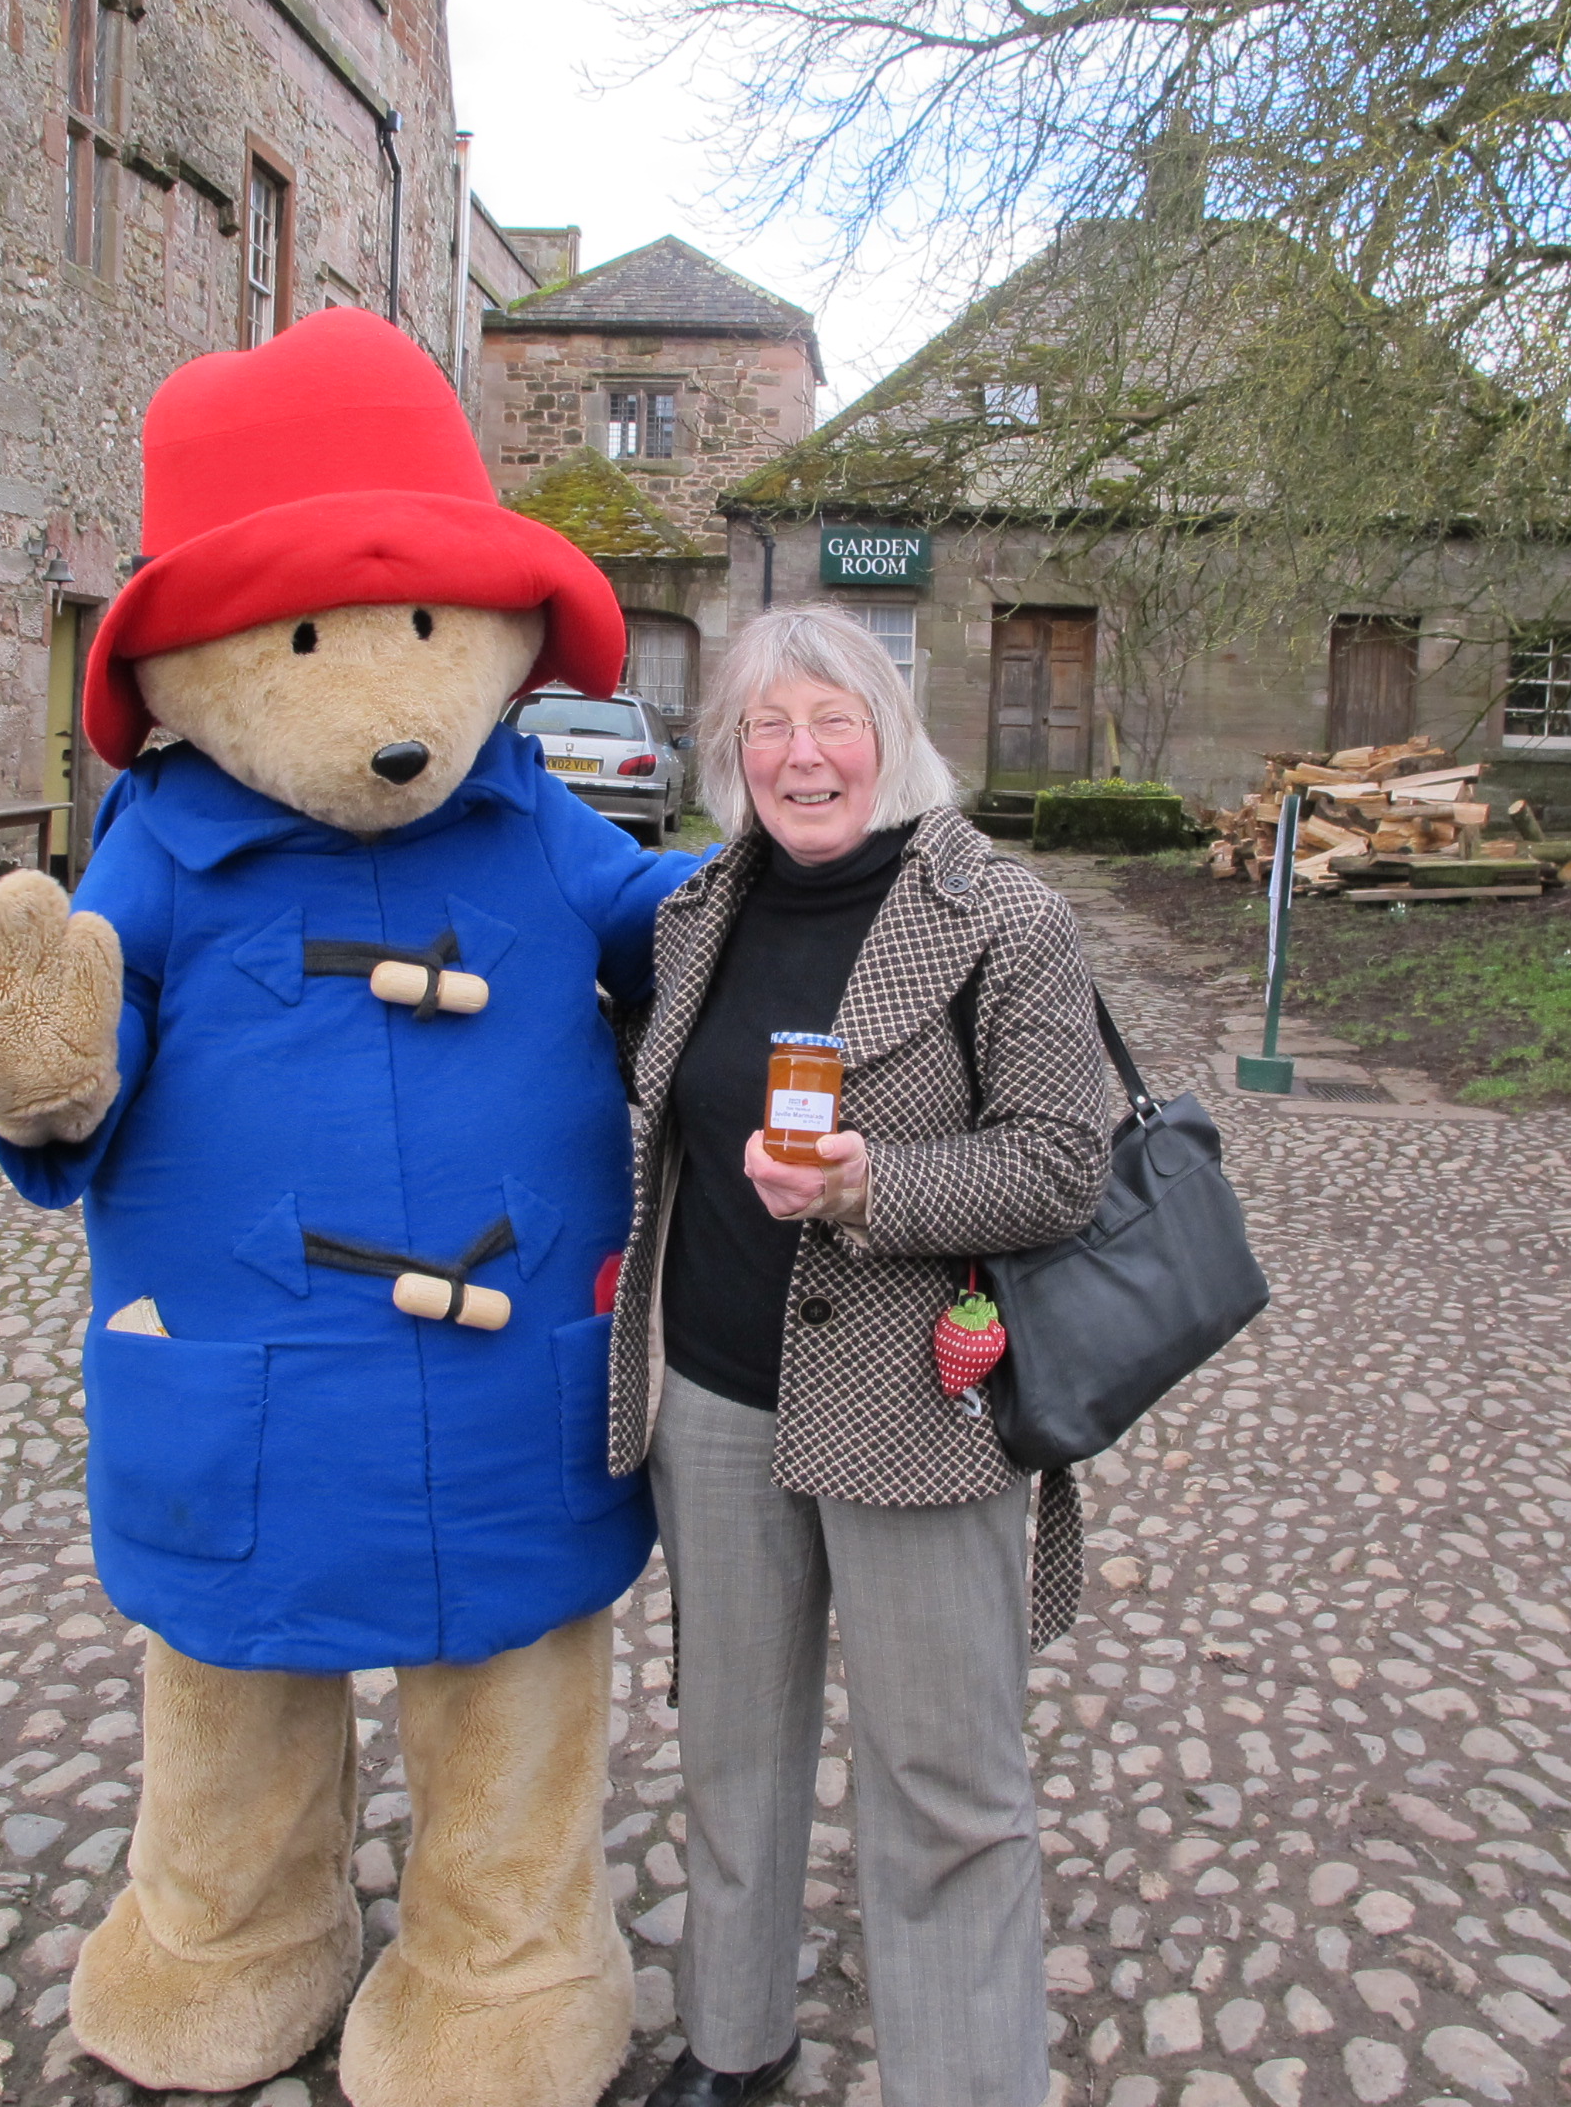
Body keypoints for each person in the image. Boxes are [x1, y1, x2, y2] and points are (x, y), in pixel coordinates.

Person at [603, 604, 1116, 2107]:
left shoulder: (1002, 916)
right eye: (768, 725)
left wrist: (871, 1188)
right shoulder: (698, 912)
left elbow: (1061, 1165)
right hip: (713, 1390)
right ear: (731, 752)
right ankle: (735, 2041)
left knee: (946, 1783)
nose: (801, 754)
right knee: (734, 1752)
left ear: (891, 737)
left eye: (834, 721)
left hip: (917, 1407)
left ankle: (963, 2083)